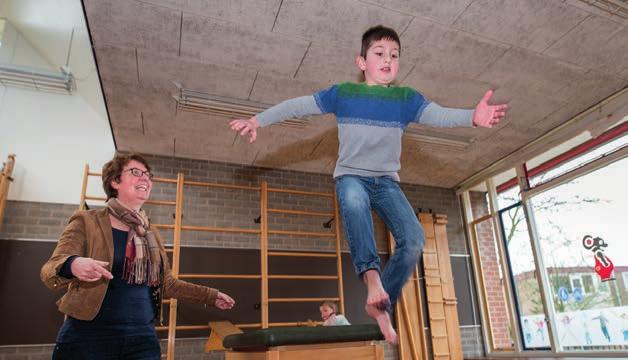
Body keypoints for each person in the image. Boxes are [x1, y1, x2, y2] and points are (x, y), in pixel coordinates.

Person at [229, 25, 507, 344]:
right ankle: (373, 280)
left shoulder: (406, 99)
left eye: (394, 55)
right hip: (351, 176)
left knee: (415, 238)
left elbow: (440, 116)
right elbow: (298, 105)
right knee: (354, 200)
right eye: (379, 54)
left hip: (387, 183)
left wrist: (474, 116)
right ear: (362, 62)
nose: (387, 59)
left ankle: (381, 306)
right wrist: (257, 120)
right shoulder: (344, 94)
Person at [41, 153, 235, 359]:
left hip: (143, 338)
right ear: (115, 181)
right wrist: (72, 264)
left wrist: (210, 296)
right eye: (136, 172)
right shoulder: (87, 221)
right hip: (89, 336)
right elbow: (49, 269)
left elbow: (166, 284)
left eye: (148, 175)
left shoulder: (151, 233)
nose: (145, 179)